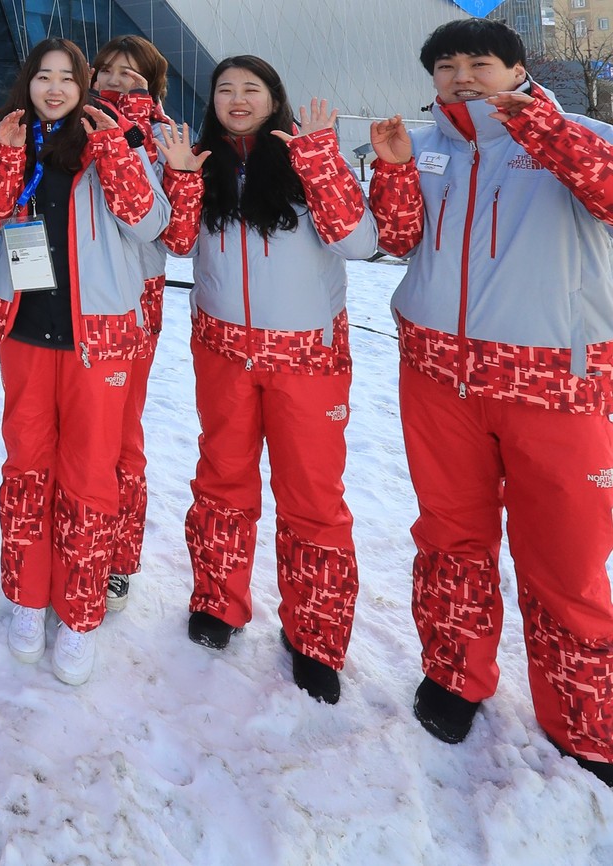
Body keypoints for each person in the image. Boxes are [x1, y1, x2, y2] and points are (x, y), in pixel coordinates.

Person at [369, 18, 613, 786]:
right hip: (440, 377)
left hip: (556, 382)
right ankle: (453, 675)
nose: (463, 77)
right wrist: (396, 172)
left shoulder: (580, 134)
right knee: (450, 535)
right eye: (446, 66)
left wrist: (538, 126)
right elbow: (399, 240)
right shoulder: (423, 142)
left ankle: (583, 715)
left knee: (566, 561)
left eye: (480, 62)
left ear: (516, 67)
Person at [156, 56, 375, 704]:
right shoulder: (203, 161)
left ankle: (316, 636)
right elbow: (174, 241)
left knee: (311, 495)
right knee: (222, 480)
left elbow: (359, 241)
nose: (236, 98)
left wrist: (320, 163)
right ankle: (217, 602)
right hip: (223, 351)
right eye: (225, 89)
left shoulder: (307, 160)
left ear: (273, 97)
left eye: (251, 88)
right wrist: (184, 178)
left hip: (305, 358)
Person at [0, 37, 169, 686]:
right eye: (43, 76)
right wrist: (6, 154)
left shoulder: (116, 140)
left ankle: (81, 610)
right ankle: (29, 600)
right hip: (27, 331)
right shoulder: (7, 137)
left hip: (99, 339)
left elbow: (149, 222)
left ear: (85, 85)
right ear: (27, 82)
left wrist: (113, 146)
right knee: (27, 467)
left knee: (89, 477)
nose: (55, 87)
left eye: (69, 77)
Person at [90, 35, 176, 613]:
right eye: (110, 72)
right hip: (71, 295)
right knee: (67, 431)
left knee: (120, 435)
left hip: (134, 300)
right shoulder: (71, 123)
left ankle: (116, 556)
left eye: (134, 74)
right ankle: (68, 542)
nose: (120, 82)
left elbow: (169, 227)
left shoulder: (167, 140)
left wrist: (131, 136)